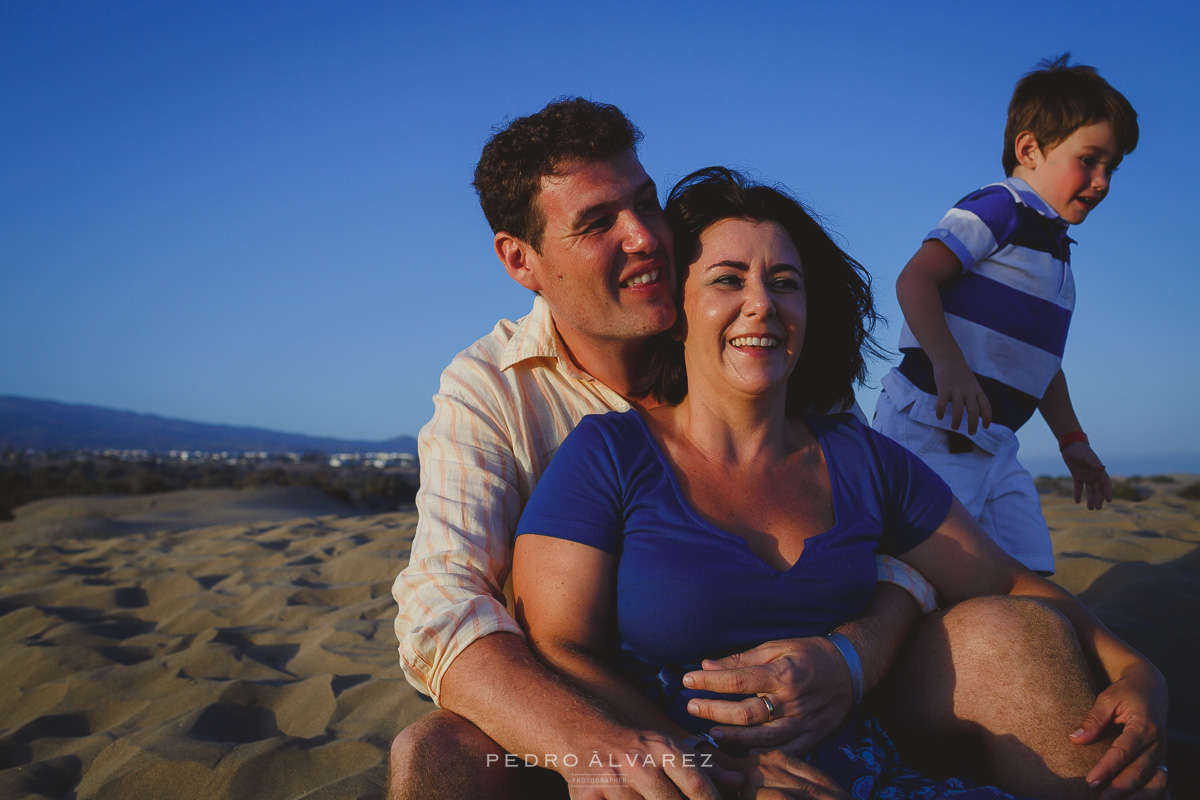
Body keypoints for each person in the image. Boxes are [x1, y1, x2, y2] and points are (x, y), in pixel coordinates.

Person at [390, 98, 1165, 799]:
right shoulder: (506, 401)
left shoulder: (802, 399)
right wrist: (667, 757)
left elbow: (914, 539)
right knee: (441, 754)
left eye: (647, 204)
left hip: (850, 723)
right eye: (597, 223)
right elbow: (449, 615)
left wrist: (855, 655)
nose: (643, 238)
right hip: (620, 739)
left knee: (1016, 637)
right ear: (520, 261)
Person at [873, 54, 1138, 573]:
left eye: (1113, 167)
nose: (1102, 181)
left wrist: (1073, 441)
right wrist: (951, 365)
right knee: (925, 573)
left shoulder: (1057, 251)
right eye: (1089, 159)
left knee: (1031, 568)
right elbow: (915, 279)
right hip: (930, 428)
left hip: (996, 446)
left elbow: (1039, 364)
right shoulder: (1001, 208)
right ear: (1030, 149)